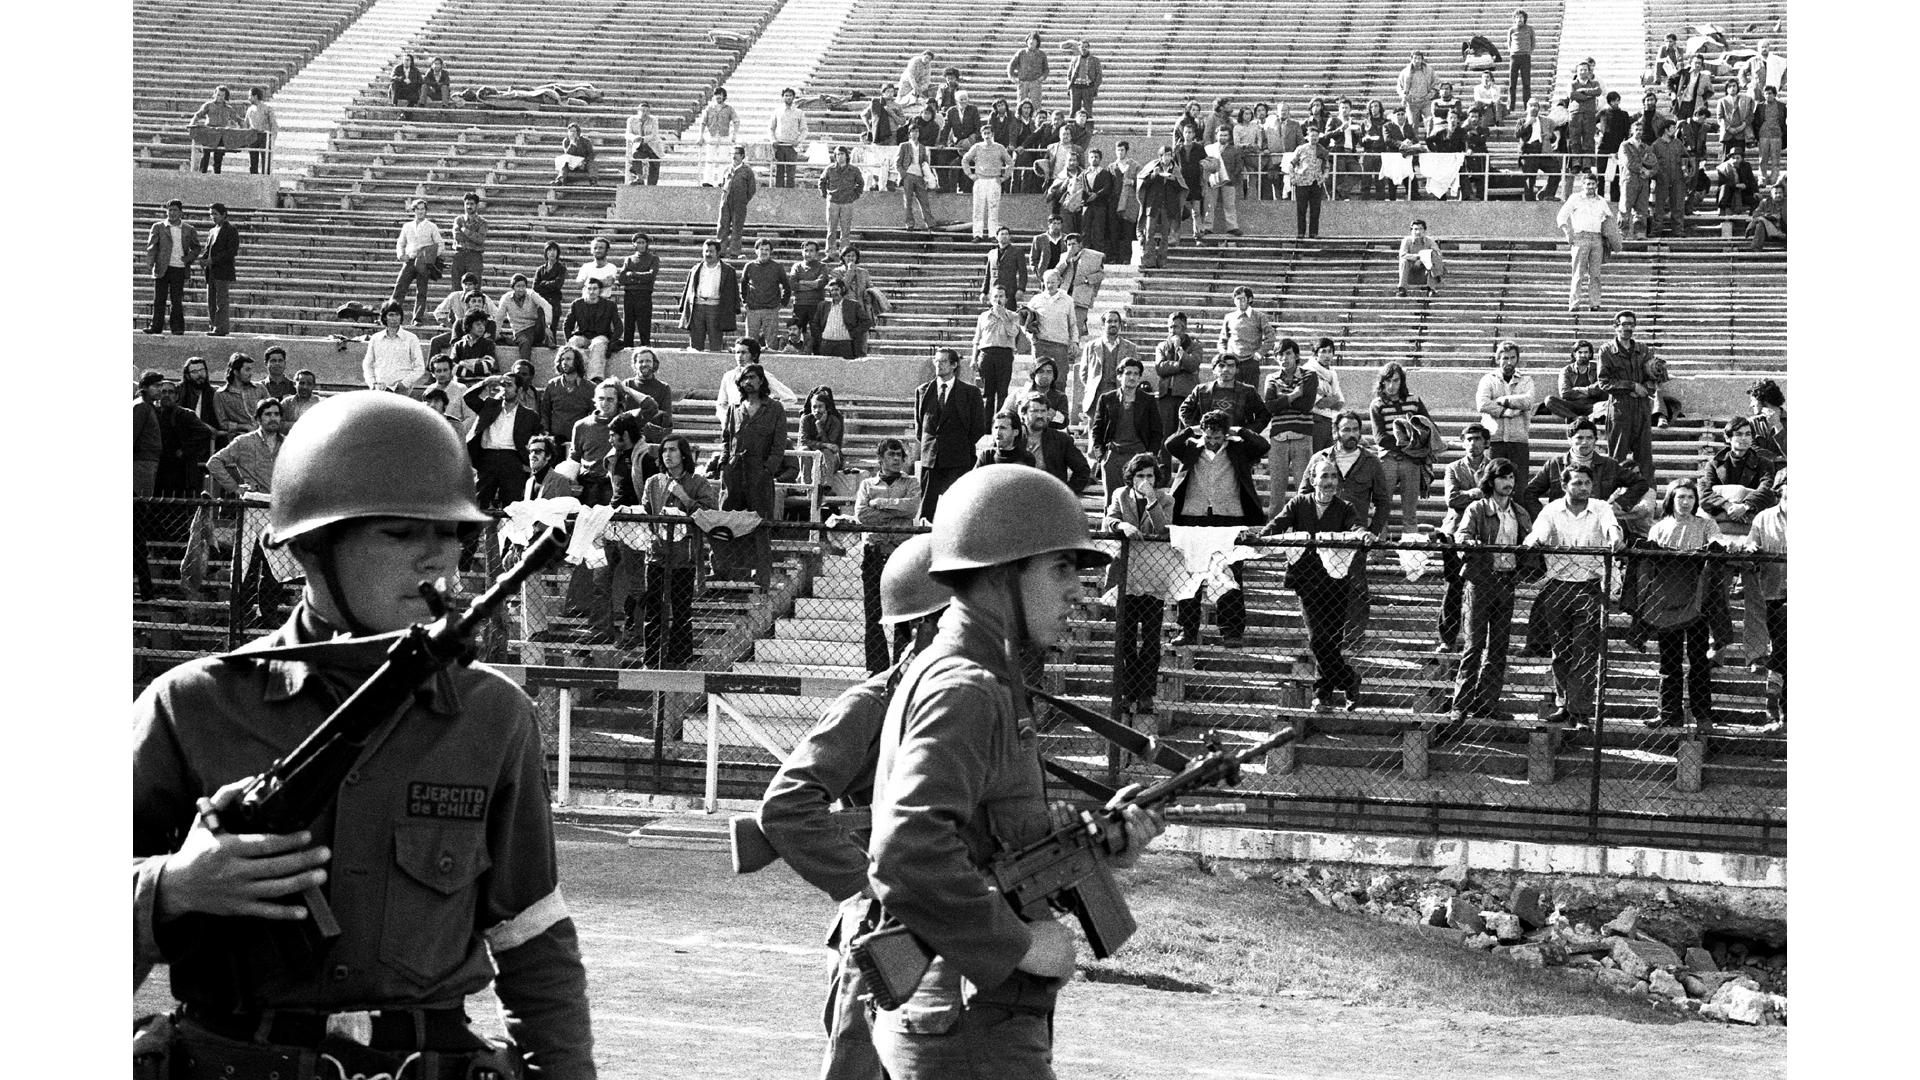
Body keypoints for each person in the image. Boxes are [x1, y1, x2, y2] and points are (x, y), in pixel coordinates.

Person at [133, 393, 597, 1080]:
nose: (435, 559)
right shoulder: (193, 704)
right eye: (400, 534)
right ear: (312, 547)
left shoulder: (492, 716)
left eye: (450, 534)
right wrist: (172, 887)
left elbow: (533, 938)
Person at [867, 463, 1159, 1079]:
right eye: (1060, 568)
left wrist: (1097, 847)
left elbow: (986, 843)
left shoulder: (982, 678)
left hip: (974, 1015)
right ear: (1002, 573)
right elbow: (907, 850)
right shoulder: (967, 688)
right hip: (972, 1026)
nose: (1077, 590)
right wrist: (1019, 943)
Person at [1523, 464, 1624, 727]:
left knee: (1585, 650)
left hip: (1589, 587)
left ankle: (1579, 712)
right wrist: (1534, 541)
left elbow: (1611, 527)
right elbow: (1540, 531)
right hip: (1558, 586)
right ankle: (1563, 705)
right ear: (1564, 485)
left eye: (1587, 483)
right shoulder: (1552, 509)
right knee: (1560, 651)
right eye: (1577, 483)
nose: (1583, 488)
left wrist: (1614, 537)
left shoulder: (1601, 507)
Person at [1265, 459, 1369, 710]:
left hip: (1335, 581)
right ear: (1313, 480)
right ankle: (1349, 679)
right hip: (1307, 581)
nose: (1329, 481)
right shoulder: (1299, 503)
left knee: (1331, 641)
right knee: (1318, 640)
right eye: (1324, 476)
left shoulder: (1344, 507)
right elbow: (1277, 524)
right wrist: (1258, 537)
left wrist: (1362, 533)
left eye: (1333, 476)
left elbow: (1355, 526)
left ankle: (1323, 695)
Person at [1165, 410, 1270, 648]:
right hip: (1193, 516)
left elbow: (1263, 445)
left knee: (1229, 575)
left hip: (1229, 518)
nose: (1212, 442)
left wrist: (1238, 430)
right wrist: (1192, 430)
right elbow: (1171, 444)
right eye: (1209, 437)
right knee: (1190, 575)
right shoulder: (1191, 446)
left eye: (1217, 437)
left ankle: (1231, 631)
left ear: (1225, 435)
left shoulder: (1238, 448)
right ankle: (1187, 629)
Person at [1442, 456, 1531, 725]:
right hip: (1480, 582)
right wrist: (1472, 544)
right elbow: (1462, 536)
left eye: (1511, 477)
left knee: (1499, 648)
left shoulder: (1519, 512)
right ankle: (1460, 705)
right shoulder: (1477, 508)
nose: (1508, 482)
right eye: (1503, 477)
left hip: (1506, 582)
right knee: (1474, 645)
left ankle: (1487, 704)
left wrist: (1523, 570)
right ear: (1491, 481)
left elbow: (1529, 544)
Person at [1300, 410, 1391, 648]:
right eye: (1346, 429)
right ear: (1336, 432)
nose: (1351, 434)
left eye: (1355, 430)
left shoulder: (1371, 461)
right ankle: (1321, 638)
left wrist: (1373, 531)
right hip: (1322, 537)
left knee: (1356, 587)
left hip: (1355, 536)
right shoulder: (1319, 458)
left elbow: (1383, 501)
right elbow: (1303, 494)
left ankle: (1353, 638)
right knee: (1318, 586)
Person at [1635, 479, 1720, 729]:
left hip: (1697, 602)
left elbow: (1718, 541)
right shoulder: (1658, 528)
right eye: (1680, 497)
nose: (1685, 502)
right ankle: (1669, 713)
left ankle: (1702, 715)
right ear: (1671, 499)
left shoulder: (1706, 524)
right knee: (1669, 660)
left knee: (1698, 659)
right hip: (1667, 603)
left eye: (1690, 497)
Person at [1103, 452, 1172, 713]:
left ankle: (1145, 693)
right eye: (1140, 475)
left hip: (1154, 578)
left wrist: (1152, 500)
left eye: (1149, 476)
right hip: (1127, 575)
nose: (1145, 480)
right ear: (1131, 478)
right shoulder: (1120, 495)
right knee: (1126, 638)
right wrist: (1122, 526)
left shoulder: (1166, 499)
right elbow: (1108, 520)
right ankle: (1127, 691)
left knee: (1151, 639)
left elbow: (1164, 529)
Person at [855, 438, 923, 673]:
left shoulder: (911, 482)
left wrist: (881, 503)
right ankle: (877, 669)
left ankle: (901, 667)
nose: (896, 459)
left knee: (902, 614)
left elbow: (911, 508)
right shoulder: (867, 485)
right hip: (874, 554)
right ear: (880, 459)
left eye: (900, 455)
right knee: (873, 614)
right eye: (891, 455)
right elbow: (863, 515)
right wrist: (895, 515)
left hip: (901, 554)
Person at [717, 362, 787, 587]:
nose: (748, 382)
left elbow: (779, 445)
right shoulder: (735, 408)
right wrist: (725, 463)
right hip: (735, 473)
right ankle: (725, 572)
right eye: (745, 378)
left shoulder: (774, 408)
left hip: (760, 474)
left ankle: (762, 577)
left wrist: (768, 469)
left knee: (760, 524)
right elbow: (726, 439)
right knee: (728, 521)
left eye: (753, 377)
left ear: (761, 381)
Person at [914, 347, 988, 521]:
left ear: (954, 365)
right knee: (927, 509)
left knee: (958, 509)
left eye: (943, 361)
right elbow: (920, 426)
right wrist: (931, 446)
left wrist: (959, 443)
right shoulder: (923, 391)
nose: (938, 365)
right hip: (931, 459)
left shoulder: (970, 393)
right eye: (936, 361)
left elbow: (978, 427)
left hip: (958, 458)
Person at [1736, 476, 1786, 723]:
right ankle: (1777, 705)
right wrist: (1752, 549)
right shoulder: (1764, 518)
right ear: (1781, 490)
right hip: (1774, 592)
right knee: (1783, 648)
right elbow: (1750, 546)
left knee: (1785, 649)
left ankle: (1774, 702)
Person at [1369, 362, 1434, 538]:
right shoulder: (1377, 404)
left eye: (1396, 381)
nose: (1391, 386)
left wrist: (1416, 445)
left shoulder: (1413, 401)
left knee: (1410, 512)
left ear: (1402, 381)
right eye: (1388, 381)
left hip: (1411, 461)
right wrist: (1409, 446)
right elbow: (1380, 438)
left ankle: (1411, 551)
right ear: (1382, 382)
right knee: (1382, 509)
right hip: (1387, 460)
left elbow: (1428, 426)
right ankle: (1379, 548)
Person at [463, 364, 542, 510]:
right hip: (487, 458)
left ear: (519, 390)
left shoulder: (530, 416)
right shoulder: (489, 405)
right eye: (503, 385)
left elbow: (537, 439)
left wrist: (528, 462)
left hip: (512, 460)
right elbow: (468, 397)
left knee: (512, 506)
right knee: (479, 503)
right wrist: (487, 381)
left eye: (509, 385)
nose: (505, 389)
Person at [1597, 310, 1657, 483]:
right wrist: (1631, 386)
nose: (1628, 328)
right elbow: (1604, 382)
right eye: (1624, 324)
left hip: (1641, 408)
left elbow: (1653, 377)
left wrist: (1644, 388)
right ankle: (1614, 495)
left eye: (1631, 324)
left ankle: (1647, 494)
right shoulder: (1606, 351)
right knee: (1617, 457)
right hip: (1620, 409)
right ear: (1615, 327)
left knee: (1645, 459)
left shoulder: (1643, 350)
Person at [1260, 340, 1318, 515]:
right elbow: (1270, 406)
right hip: (1278, 437)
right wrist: (1294, 395)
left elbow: (1306, 405)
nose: (1283, 358)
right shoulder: (1271, 378)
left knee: (1304, 487)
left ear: (1296, 355)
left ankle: (1306, 528)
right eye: (1279, 354)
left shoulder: (1309, 375)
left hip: (1301, 435)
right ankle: (1273, 528)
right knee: (1276, 490)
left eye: (1288, 353)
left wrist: (1282, 399)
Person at [1090, 355, 1161, 496]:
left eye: (1136, 374)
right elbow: (1097, 430)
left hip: (1138, 457)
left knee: (1139, 499)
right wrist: (1101, 456)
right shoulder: (1107, 399)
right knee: (1112, 501)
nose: (1132, 377)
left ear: (1139, 377)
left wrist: (1150, 455)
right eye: (1128, 373)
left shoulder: (1148, 400)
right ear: (1119, 376)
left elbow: (1157, 431)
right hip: (1113, 456)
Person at [1475, 339, 1537, 487]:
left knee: (1519, 485)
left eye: (1513, 358)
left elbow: (1528, 402)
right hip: (1494, 440)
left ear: (1517, 359)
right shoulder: (1488, 380)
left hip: (1518, 440)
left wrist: (1503, 400)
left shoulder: (1526, 380)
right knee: (1492, 483)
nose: (1509, 362)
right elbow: (1482, 404)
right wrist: (1505, 412)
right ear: (1498, 359)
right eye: (1505, 358)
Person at [1556, 172, 1616, 312]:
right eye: (1588, 184)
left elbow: (1609, 217)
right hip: (1580, 237)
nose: (1590, 187)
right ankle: (1574, 304)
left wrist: (1608, 233)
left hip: (1597, 239)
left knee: (1595, 274)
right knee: (1578, 273)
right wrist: (1568, 233)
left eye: (1593, 184)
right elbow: (1561, 216)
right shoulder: (1575, 198)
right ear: (1583, 185)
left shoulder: (1601, 200)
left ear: (1597, 185)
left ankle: (1595, 304)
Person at [1014, 392, 1092, 494]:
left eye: (1043, 411)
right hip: (1018, 495)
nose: (1040, 415)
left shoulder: (1061, 440)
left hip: (1049, 497)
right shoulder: (1014, 438)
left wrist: (1067, 492)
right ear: (1023, 414)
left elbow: (1082, 470)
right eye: (1035, 411)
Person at [972, 283, 1029, 416]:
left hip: (1004, 354)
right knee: (988, 393)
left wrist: (1003, 316)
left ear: (1006, 299)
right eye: (995, 296)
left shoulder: (1013, 316)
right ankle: (986, 425)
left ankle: (1001, 422)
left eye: (1001, 296)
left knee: (1002, 392)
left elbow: (1013, 333)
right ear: (991, 299)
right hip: (986, 354)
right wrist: (974, 358)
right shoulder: (983, 316)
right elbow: (977, 339)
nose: (998, 299)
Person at [144, 200, 200, 336]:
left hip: (179, 267)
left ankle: (177, 327)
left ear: (181, 212)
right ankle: (156, 326)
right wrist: (150, 262)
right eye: (170, 210)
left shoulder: (188, 229)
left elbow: (196, 248)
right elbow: (152, 246)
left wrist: (188, 258)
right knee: (159, 299)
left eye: (175, 210)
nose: (172, 213)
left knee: (176, 300)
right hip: (162, 267)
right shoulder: (158, 227)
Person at [1178, 351, 1268, 433]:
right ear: (1213, 370)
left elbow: (1264, 414)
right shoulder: (1201, 390)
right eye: (1221, 366)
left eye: (1231, 366)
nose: (1226, 369)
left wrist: (1247, 432)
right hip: (1208, 439)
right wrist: (1200, 429)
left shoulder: (1248, 391)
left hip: (1239, 440)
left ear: (1237, 370)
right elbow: (1184, 410)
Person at [1151, 311, 1203, 452]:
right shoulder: (1162, 346)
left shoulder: (1195, 346)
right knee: (1165, 436)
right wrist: (1180, 366)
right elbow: (1160, 368)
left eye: (1176, 327)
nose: (1172, 331)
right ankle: (1164, 466)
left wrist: (1179, 349)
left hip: (1187, 396)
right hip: (1166, 396)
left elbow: (1192, 365)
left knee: (1187, 435)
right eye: (1170, 327)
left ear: (1184, 328)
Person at [680, 238, 742, 352]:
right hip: (697, 307)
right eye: (706, 251)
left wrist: (736, 309)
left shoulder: (728, 270)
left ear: (718, 253)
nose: (708, 254)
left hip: (716, 308)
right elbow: (688, 289)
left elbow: (734, 291)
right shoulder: (695, 269)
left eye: (711, 251)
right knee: (695, 345)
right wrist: (682, 307)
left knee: (716, 343)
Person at [1135, 144, 1186, 269]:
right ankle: (1149, 260)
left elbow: (1182, 187)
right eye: (1165, 155)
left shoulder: (1175, 169)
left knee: (1165, 235)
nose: (1168, 157)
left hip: (1168, 205)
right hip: (1153, 205)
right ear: (1160, 156)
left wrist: (1174, 180)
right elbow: (1142, 183)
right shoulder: (1153, 166)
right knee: (1149, 232)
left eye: (1169, 155)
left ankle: (1162, 261)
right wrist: (1153, 176)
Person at [1215, 285, 1273, 388]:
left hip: (1251, 362)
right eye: (1237, 299)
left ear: (1250, 299)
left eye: (1243, 299)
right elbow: (1222, 340)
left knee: (1251, 393)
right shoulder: (1229, 317)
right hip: (1233, 362)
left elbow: (1271, 338)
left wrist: (1259, 354)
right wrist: (1225, 355)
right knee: (1231, 392)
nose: (1240, 302)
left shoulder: (1259, 317)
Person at [962, 126, 1015, 239]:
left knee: (993, 209)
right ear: (982, 135)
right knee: (978, 209)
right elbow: (965, 159)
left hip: (994, 181)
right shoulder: (977, 147)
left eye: (989, 133)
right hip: (980, 180)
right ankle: (977, 234)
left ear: (992, 134)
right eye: (984, 133)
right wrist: (970, 174)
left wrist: (1004, 177)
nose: (987, 136)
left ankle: (993, 235)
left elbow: (1010, 163)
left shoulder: (999, 147)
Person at [739, 237, 792, 348]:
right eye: (761, 249)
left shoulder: (777, 267)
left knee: (771, 343)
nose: (764, 252)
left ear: (771, 251)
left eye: (767, 249)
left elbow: (787, 287)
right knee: (750, 342)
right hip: (753, 309)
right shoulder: (749, 266)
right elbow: (743, 285)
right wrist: (745, 302)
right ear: (756, 251)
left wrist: (782, 303)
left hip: (771, 310)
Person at [362, 302, 427, 392]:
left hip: (401, 390)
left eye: (397, 315)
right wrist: (372, 383)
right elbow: (367, 364)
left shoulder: (411, 338)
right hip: (380, 389)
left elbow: (419, 367)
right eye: (391, 315)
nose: (394, 318)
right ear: (385, 317)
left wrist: (404, 384)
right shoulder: (375, 338)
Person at [563, 276, 620, 380]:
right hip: (582, 335)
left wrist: (611, 343)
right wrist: (568, 339)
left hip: (601, 336)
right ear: (585, 289)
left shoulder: (609, 305)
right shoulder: (577, 304)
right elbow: (567, 324)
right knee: (573, 342)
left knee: (598, 344)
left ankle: (594, 378)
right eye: (589, 288)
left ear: (600, 291)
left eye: (595, 289)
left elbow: (619, 327)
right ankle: (574, 375)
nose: (591, 291)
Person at [813, 146, 863, 254]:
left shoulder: (854, 170)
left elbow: (860, 184)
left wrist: (854, 196)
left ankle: (844, 254)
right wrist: (825, 195)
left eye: (842, 154)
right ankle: (830, 253)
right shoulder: (830, 169)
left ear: (846, 155)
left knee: (845, 230)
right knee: (831, 229)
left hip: (847, 202)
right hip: (833, 202)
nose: (840, 157)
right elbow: (821, 182)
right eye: (837, 154)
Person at [201, 202, 240, 336]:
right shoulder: (212, 231)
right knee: (211, 301)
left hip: (223, 270)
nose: (213, 216)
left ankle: (221, 327)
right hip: (211, 271)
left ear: (224, 214)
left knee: (221, 301)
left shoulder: (231, 230)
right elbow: (208, 249)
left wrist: (214, 260)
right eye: (211, 214)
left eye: (215, 214)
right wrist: (204, 259)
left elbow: (231, 251)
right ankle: (213, 325)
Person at [810, 277, 873, 359]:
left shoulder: (853, 305)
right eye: (832, 290)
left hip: (845, 345)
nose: (834, 293)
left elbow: (867, 322)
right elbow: (814, 324)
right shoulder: (823, 305)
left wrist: (852, 334)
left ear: (842, 289)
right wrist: (820, 337)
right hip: (826, 344)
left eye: (836, 290)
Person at [1540, 339, 1603, 421]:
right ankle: (1576, 419)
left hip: (1592, 405)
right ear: (1574, 354)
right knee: (1549, 400)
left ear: (1590, 354)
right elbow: (1565, 393)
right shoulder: (1566, 370)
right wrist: (1589, 391)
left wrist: (1577, 389)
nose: (1583, 355)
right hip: (1572, 406)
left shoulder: (1598, 368)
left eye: (1586, 352)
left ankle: (1591, 418)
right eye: (1580, 352)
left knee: (1608, 405)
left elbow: (1600, 388)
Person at [895, 124, 939, 229]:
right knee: (908, 201)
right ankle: (909, 224)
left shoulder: (922, 147)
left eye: (917, 132)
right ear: (909, 134)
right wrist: (903, 174)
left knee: (924, 201)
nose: (915, 134)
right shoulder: (904, 145)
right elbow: (897, 163)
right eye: (913, 132)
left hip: (919, 176)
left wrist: (927, 176)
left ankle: (930, 223)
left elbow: (925, 163)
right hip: (908, 176)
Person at [1286, 136, 1331, 238]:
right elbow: (1291, 164)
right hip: (1302, 182)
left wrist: (1324, 176)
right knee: (1301, 209)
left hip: (1316, 182)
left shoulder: (1322, 150)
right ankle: (1301, 233)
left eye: (1316, 136)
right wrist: (1293, 178)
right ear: (1308, 137)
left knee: (1315, 209)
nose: (1314, 138)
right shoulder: (1301, 149)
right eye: (1312, 136)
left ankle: (1313, 233)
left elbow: (1327, 165)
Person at [717, 146, 758, 259]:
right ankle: (720, 250)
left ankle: (734, 252)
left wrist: (743, 200)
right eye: (732, 154)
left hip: (739, 203)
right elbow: (722, 184)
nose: (733, 156)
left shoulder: (747, 171)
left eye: (736, 154)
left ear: (742, 156)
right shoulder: (727, 169)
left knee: (737, 227)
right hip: (726, 201)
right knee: (722, 226)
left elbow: (752, 189)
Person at [799, 385, 845, 483]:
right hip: (813, 453)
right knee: (804, 450)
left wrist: (819, 427)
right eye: (814, 407)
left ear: (826, 408)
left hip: (831, 457)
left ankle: (826, 486)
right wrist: (823, 445)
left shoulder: (835, 421)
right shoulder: (806, 419)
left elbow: (832, 446)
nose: (817, 410)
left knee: (826, 452)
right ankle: (806, 486)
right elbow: (804, 441)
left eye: (820, 407)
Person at [190, 84, 241, 173]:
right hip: (209, 132)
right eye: (218, 95)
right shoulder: (208, 105)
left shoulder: (228, 108)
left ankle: (217, 175)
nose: (220, 97)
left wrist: (244, 128)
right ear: (215, 94)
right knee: (205, 155)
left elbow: (238, 119)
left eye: (222, 95)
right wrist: (191, 124)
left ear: (225, 96)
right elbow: (197, 115)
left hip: (221, 134)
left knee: (218, 157)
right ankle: (201, 175)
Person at [695, 87, 740, 186]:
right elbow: (703, 123)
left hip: (724, 136)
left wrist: (734, 134)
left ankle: (721, 181)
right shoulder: (709, 108)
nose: (718, 97)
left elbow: (736, 121)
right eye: (716, 95)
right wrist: (700, 135)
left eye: (720, 94)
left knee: (723, 160)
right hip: (712, 136)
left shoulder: (729, 109)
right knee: (709, 159)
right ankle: (707, 181)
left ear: (724, 96)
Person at [769, 87, 809, 188]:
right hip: (780, 145)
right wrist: (773, 140)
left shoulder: (799, 112)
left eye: (790, 96)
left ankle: (790, 194)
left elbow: (804, 130)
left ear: (793, 97)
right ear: (783, 97)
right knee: (779, 172)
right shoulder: (777, 112)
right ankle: (778, 194)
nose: (788, 98)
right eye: (786, 95)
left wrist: (798, 141)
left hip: (792, 146)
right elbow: (771, 128)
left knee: (791, 173)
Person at [1395, 218, 1444, 297]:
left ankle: (1431, 289)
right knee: (1403, 261)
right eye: (1415, 229)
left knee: (1434, 257)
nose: (1418, 232)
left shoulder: (1429, 241)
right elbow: (1402, 254)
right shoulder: (1406, 241)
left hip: (1425, 267)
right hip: (1410, 268)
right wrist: (1417, 257)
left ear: (1424, 230)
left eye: (1420, 229)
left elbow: (1438, 253)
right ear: (1411, 231)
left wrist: (1423, 259)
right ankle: (1402, 289)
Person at [449, 192, 487, 291]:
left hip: (474, 256)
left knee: (475, 287)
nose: (469, 206)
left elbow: (480, 239)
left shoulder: (482, 222)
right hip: (460, 255)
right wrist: (472, 235)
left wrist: (465, 230)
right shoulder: (458, 220)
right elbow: (457, 236)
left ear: (476, 205)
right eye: (467, 204)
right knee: (456, 286)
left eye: (472, 204)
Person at [1751, 85, 1786, 187]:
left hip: (1777, 135)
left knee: (1776, 159)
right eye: (1766, 93)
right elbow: (1755, 121)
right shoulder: (1760, 106)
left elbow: (1784, 121)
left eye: (1770, 93)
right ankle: (1762, 179)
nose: (1768, 95)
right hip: (1764, 135)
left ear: (1774, 94)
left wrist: (1783, 133)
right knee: (1763, 159)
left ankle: (1774, 179)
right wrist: (1757, 134)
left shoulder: (1781, 106)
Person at [532, 241, 568, 341]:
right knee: (539, 329)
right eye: (549, 250)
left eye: (554, 250)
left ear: (558, 252)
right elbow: (535, 287)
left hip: (554, 303)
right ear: (546, 252)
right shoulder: (540, 269)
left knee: (552, 330)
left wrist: (543, 283)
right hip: (541, 302)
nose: (552, 252)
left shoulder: (561, 268)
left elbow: (558, 284)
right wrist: (550, 285)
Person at [624, 101, 664, 185]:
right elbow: (628, 134)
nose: (644, 113)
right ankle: (639, 178)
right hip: (638, 145)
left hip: (653, 145)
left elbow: (654, 134)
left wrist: (643, 139)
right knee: (635, 155)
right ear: (638, 111)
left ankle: (652, 186)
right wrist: (635, 138)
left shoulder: (653, 120)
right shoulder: (631, 120)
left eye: (647, 111)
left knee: (655, 165)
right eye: (642, 110)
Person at [1747, 378, 1787, 460]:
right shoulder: (1752, 423)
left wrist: (1778, 425)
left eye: (1753, 400)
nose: (1751, 405)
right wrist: (1774, 458)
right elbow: (1749, 448)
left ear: (1764, 400)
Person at [1008, 31, 1049, 109]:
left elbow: (1046, 69)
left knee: (1036, 104)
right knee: (1021, 104)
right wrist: (1013, 78)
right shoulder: (1021, 53)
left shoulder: (1042, 54)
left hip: (1035, 83)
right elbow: (1011, 65)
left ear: (1037, 42)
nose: (1031, 41)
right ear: (1027, 41)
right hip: (1023, 82)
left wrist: (1042, 78)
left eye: (1034, 40)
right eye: (1030, 39)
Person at [243, 86, 279, 173]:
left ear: (255, 96)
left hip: (264, 136)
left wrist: (272, 138)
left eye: (250, 96)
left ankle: (265, 177)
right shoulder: (249, 109)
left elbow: (273, 124)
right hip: (253, 135)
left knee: (265, 160)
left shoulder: (267, 108)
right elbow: (246, 123)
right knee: (253, 161)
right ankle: (254, 177)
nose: (248, 98)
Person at [1397, 50, 1437, 127]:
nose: (1417, 61)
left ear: (1422, 59)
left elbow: (1436, 83)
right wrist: (1404, 96)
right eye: (1415, 58)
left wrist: (1431, 94)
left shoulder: (1429, 71)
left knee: (1430, 122)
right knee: (1413, 125)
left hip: (1426, 101)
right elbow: (1399, 87)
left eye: (1419, 58)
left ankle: (1429, 135)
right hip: (1412, 102)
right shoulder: (1405, 72)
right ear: (1411, 59)